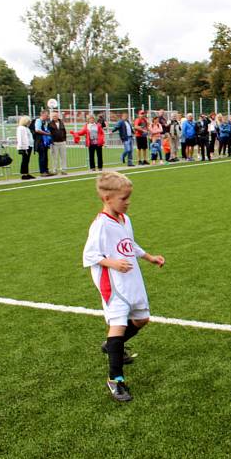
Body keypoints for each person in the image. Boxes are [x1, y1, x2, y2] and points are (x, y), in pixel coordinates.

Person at [82, 171, 165, 402]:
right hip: (113, 284)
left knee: (141, 320)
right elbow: (89, 255)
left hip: (131, 279)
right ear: (107, 198)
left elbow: (129, 244)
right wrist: (113, 263)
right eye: (123, 198)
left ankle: (112, 346)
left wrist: (149, 257)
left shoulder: (124, 219)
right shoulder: (100, 225)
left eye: (129, 197)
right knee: (117, 325)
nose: (128, 202)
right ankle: (115, 380)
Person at [34, 110, 54, 177]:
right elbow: (37, 130)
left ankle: (46, 170)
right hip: (40, 142)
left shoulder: (45, 122)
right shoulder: (38, 121)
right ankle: (42, 171)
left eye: (48, 115)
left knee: (45, 157)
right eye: (46, 115)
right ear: (42, 114)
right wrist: (47, 134)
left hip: (45, 142)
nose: (47, 116)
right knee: (42, 157)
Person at [16, 116, 35, 180]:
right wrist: (24, 148)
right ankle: (23, 174)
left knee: (27, 160)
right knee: (24, 160)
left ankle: (26, 173)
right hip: (25, 147)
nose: (29, 123)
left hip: (29, 146)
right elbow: (21, 139)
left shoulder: (26, 128)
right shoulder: (21, 128)